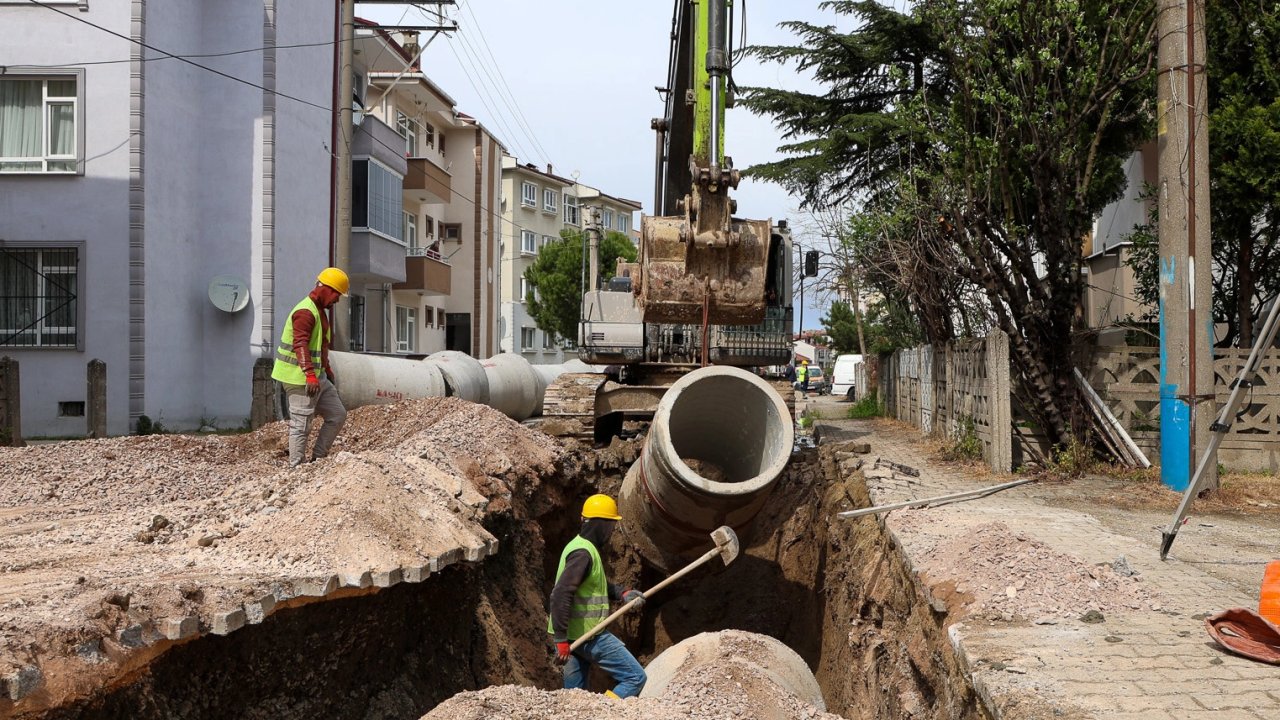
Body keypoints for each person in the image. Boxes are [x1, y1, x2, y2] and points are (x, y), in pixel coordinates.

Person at [548, 494, 647, 699]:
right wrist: (560, 639)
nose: (612, 531)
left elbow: (595, 586)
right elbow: (560, 594)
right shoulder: (583, 554)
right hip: (589, 636)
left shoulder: (579, 546)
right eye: (610, 525)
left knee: (574, 697)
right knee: (635, 678)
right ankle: (603, 712)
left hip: (572, 637)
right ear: (599, 524)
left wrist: (623, 593)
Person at [272, 267, 349, 467]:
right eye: (337, 295)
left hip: (317, 376)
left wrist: (326, 369)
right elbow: (301, 344)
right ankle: (296, 469)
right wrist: (309, 374)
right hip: (299, 378)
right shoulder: (305, 311)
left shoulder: (319, 312)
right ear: (327, 289)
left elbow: (321, 345)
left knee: (337, 414)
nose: (337, 301)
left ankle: (317, 460)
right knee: (301, 425)